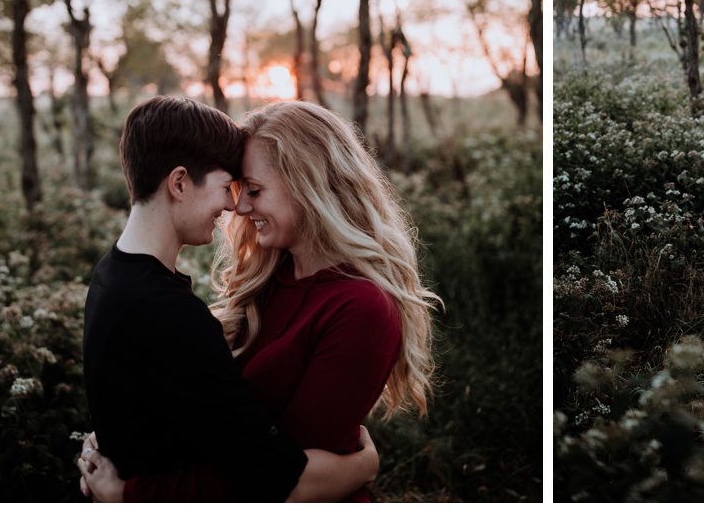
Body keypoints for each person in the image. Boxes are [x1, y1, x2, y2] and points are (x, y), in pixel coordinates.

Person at [82, 100, 439, 502]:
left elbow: (287, 484)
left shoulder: (361, 307)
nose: (240, 207)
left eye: (253, 190)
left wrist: (133, 493)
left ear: (309, 186)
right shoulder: (268, 282)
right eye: (236, 190)